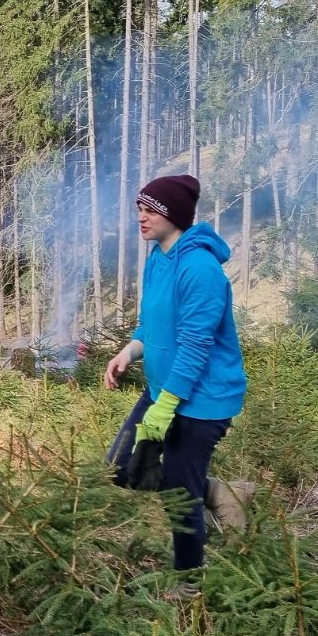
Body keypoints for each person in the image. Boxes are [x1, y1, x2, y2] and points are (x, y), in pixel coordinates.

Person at [104, 174, 246, 589]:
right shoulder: (158, 259)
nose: (141, 218)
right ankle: (218, 491)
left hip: (203, 401)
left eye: (151, 210)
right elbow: (151, 325)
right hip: (163, 390)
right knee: (120, 468)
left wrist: (166, 406)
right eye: (139, 209)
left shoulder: (200, 268)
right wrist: (128, 352)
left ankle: (189, 586)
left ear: (175, 215)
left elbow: (195, 345)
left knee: (180, 501)